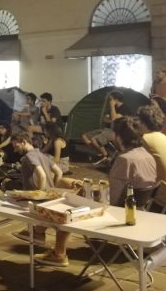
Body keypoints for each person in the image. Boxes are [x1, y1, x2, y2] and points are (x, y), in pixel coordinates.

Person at [35, 117, 156, 267]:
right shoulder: (146, 154)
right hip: (139, 210)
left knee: (69, 201)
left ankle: (56, 251)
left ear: (118, 136)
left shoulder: (124, 160)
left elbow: (112, 201)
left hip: (119, 215)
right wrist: (90, 187)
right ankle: (39, 232)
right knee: (71, 185)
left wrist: (86, 192)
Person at [9, 132, 63, 245]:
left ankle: (34, 233)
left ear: (24, 142)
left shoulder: (30, 156)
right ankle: (36, 233)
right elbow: (59, 172)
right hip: (49, 194)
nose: (15, 150)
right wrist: (53, 188)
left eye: (16, 146)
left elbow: (42, 175)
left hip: (39, 196)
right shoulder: (42, 155)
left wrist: (39, 194)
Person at [81, 91, 127, 165]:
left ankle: (105, 155)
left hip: (117, 132)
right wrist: (110, 116)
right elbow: (105, 119)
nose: (109, 101)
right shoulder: (114, 108)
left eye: (110, 99)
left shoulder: (125, 108)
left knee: (94, 139)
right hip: (108, 129)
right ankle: (102, 153)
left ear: (116, 100)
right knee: (84, 136)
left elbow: (112, 118)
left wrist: (112, 106)